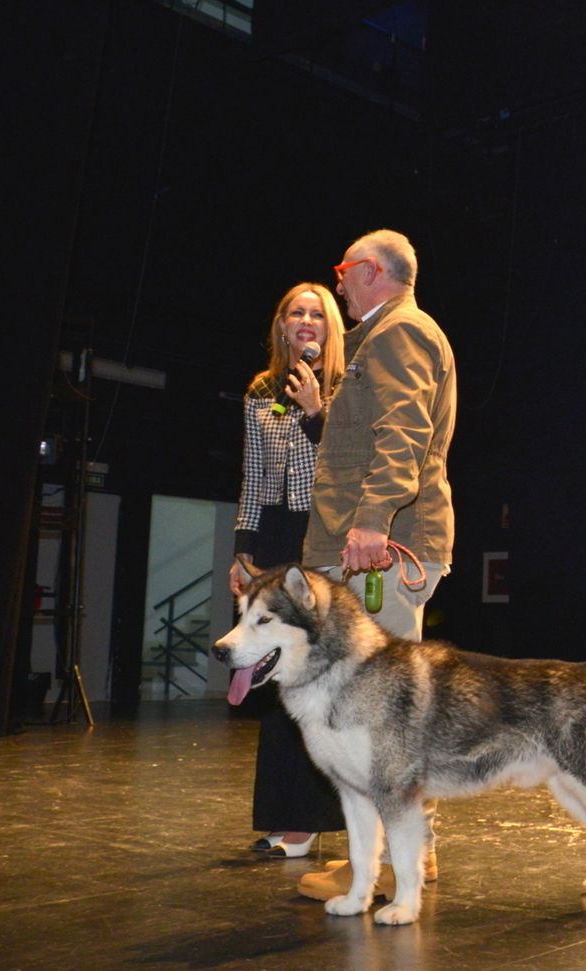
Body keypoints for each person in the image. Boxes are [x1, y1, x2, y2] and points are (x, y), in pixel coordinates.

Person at [294, 228, 457, 902]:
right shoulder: (385, 336)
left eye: (343, 269)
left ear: (373, 270)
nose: (337, 283)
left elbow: (404, 429)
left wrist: (372, 519)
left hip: (381, 550)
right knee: (377, 711)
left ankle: (396, 861)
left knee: (384, 713)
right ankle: (395, 854)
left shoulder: (400, 332)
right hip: (372, 545)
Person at [229, 282, 348, 859]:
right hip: (272, 538)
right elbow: (253, 476)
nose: (306, 321)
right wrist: (241, 550)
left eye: (317, 313)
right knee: (272, 677)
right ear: (281, 326)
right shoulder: (260, 391)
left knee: (313, 679)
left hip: (320, 534)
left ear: (330, 328)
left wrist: (316, 414)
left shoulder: (345, 386)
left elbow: (343, 469)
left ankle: (311, 821)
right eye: (296, 312)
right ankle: (282, 816)